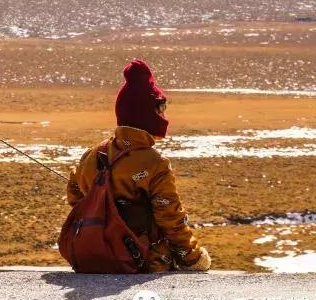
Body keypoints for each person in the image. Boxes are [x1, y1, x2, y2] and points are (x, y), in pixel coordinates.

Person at [66, 59, 210, 272]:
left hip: (92, 258)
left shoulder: (92, 155)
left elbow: (75, 195)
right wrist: (193, 258)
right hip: (142, 262)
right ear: (146, 114)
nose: (163, 115)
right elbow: (170, 219)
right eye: (160, 108)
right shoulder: (154, 163)